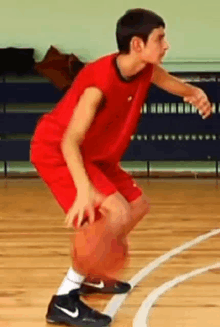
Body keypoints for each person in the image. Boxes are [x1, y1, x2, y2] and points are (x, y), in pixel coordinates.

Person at [30, 8, 213, 327]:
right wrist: (84, 191)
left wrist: (194, 92)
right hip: (59, 151)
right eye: (160, 38)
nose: (166, 44)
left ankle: (94, 273)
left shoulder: (144, 68)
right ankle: (64, 299)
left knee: (137, 206)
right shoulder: (98, 84)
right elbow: (70, 140)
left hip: (95, 155)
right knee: (114, 213)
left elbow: (165, 80)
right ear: (137, 45)